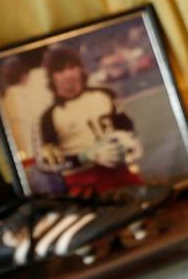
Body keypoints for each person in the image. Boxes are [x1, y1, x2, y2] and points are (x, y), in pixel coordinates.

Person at [36, 46, 144, 194]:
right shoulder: (48, 117)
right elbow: (48, 164)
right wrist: (85, 156)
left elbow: (125, 124)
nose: (68, 74)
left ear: (80, 69)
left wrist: (129, 140)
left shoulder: (105, 94)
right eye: (60, 71)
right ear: (52, 77)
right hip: (83, 182)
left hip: (119, 170)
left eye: (72, 67)